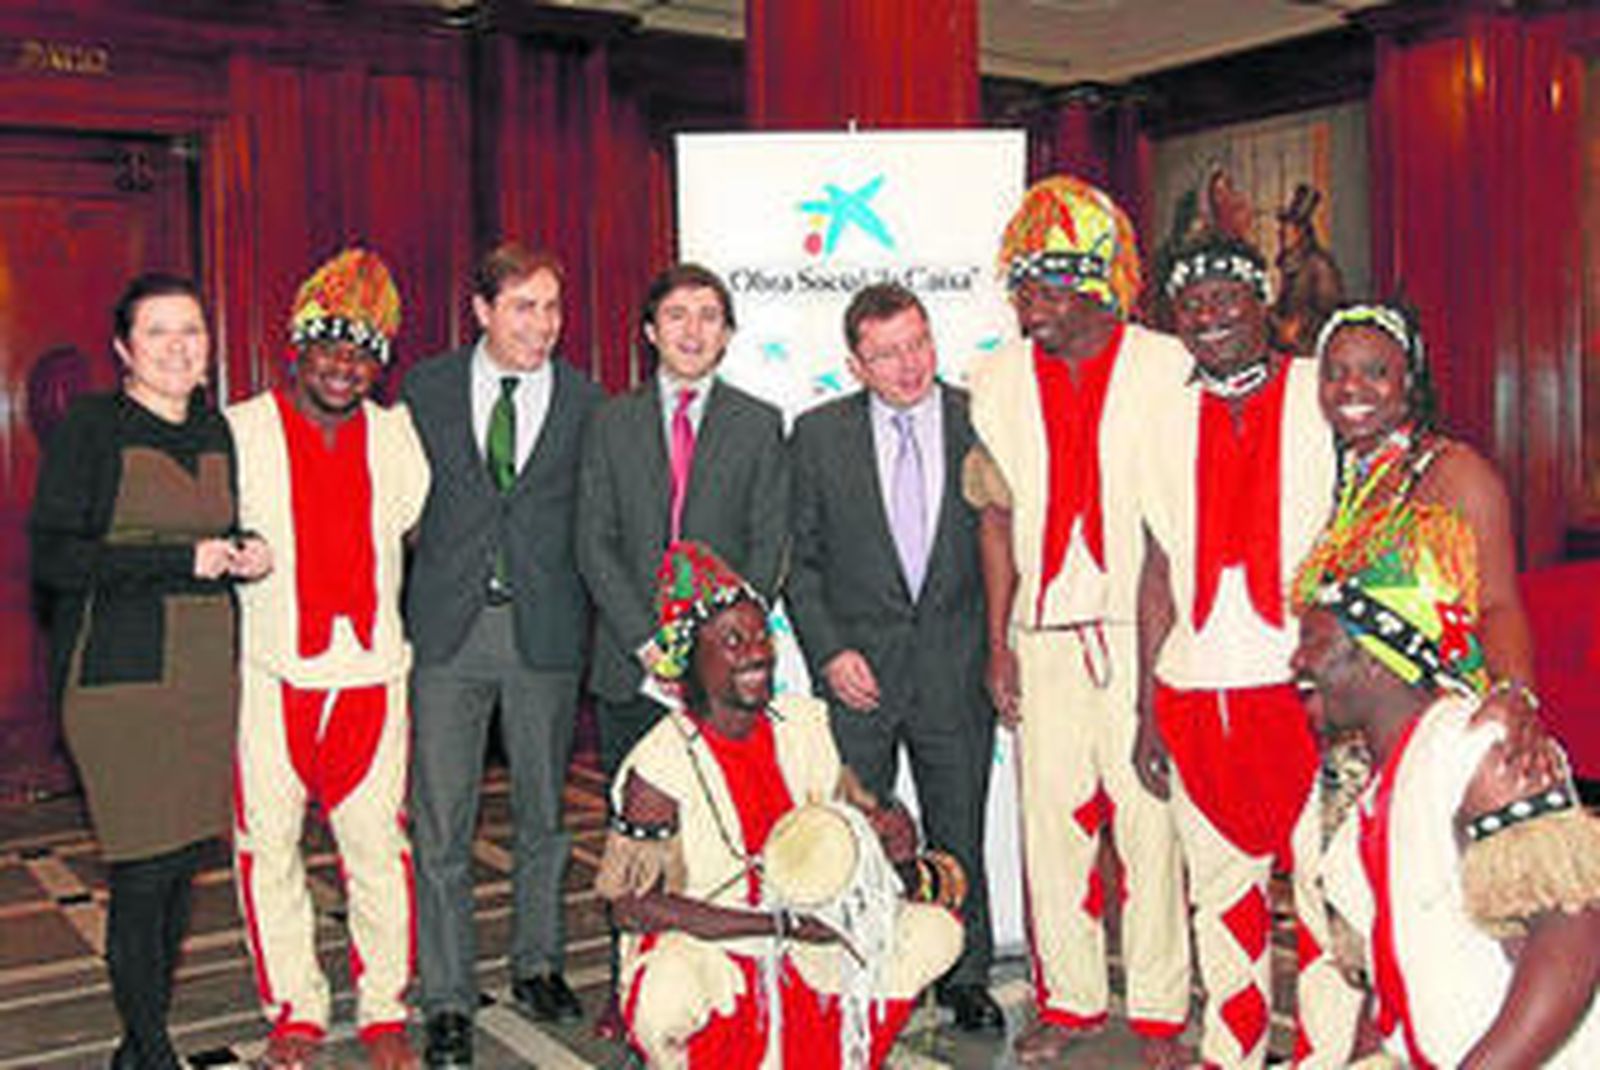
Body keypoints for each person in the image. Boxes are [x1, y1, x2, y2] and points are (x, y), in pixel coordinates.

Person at [964, 175, 1193, 1065]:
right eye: (1020, 285)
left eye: (1048, 285)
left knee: (1149, 829)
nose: (1029, 304)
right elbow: (993, 517)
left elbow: (1180, 523)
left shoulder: (1167, 367)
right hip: (1043, 635)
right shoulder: (994, 379)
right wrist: (999, 644)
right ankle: (1070, 1000)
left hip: (1143, 629)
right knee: (1052, 831)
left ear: (1101, 284)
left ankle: (1162, 1012)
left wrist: (1165, 664)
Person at [594, 540, 963, 1068]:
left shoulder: (805, 723)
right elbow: (630, 907)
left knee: (935, 933)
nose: (757, 653)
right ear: (692, 659)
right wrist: (777, 926)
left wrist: (888, 838)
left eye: (761, 635)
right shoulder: (657, 767)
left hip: (807, 928)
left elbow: (848, 828)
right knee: (664, 997)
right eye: (732, 641)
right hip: (712, 946)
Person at [31, 273, 269, 1070]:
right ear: (124, 349)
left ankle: (140, 1042)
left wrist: (248, 549)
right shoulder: (92, 427)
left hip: (204, 677)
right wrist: (180, 559)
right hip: (118, 679)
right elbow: (56, 557)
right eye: (157, 331)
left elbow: (217, 528)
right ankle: (149, 1046)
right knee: (142, 865)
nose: (177, 346)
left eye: (191, 330)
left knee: (179, 865)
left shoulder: (213, 428)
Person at [1133, 231, 1358, 1069]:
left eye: (1227, 298)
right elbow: (1156, 570)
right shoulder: (1162, 419)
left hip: (1307, 692)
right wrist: (1146, 712)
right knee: (1221, 895)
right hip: (1196, 693)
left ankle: (1325, 1056)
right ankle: (1231, 1052)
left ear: (1263, 301)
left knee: (1329, 893)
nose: (1209, 317)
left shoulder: (1320, 393)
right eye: (1191, 305)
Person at [1291, 527, 1600, 1067]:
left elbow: (1571, 939)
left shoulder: (1475, 747)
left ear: (1377, 659)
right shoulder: (1367, 805)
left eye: (1314, 641)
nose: (1296, 661)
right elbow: (1392, 980)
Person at [228, 248, 430, 1070]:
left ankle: (384, 1010)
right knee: (267, 849)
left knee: (378, 852)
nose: (345, 367)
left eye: (363, 354)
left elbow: (409, 524)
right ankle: (295, 1011)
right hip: (271, 677)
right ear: (298, 348)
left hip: (373, 678)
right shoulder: (240, 429)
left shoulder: (397, 435)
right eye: (330, 348)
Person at [402, 243, 603, 1067]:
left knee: (544, 816)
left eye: (552, 307)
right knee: (441, 825)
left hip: (544, 632)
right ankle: (448, 997)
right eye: (524, 307)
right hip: (447, 633)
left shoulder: (588, 399)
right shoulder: (425, 389)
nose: (542, 324)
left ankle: (539, 965)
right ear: (482, 310)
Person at [787, 283, 1002, 1032]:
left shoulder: (980, 418)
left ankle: (966, 977)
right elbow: (799, 562)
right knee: (857, 839)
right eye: (885, 354)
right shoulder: (818, 436)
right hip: (860, 680)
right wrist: (830, 652)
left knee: (958, 831)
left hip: (956, 670)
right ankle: (863, 972)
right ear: (855, 364)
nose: (908, 366)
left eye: (917, 345)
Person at [577, 262, 789, 780]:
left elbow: (769, 544)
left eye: (708, 317)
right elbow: (593, 542)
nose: (692, 331)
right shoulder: (610, 421)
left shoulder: (759, 424)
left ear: (728, 334)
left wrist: (720, 641)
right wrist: (650, 644)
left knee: (723, 816)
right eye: (676, 316)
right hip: (630, 664)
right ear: (651, 331)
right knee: (636, 815)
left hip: (726, 673)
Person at [1292, 300, 1538, 725]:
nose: (1350, 387)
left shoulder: (1456, 473)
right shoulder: (1345, 482)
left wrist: (1516, 698)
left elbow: (1498, 606)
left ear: (1408, 382)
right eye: (1335, 373)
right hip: (1362, 737)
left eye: (1375, 372)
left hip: (1441, 725)